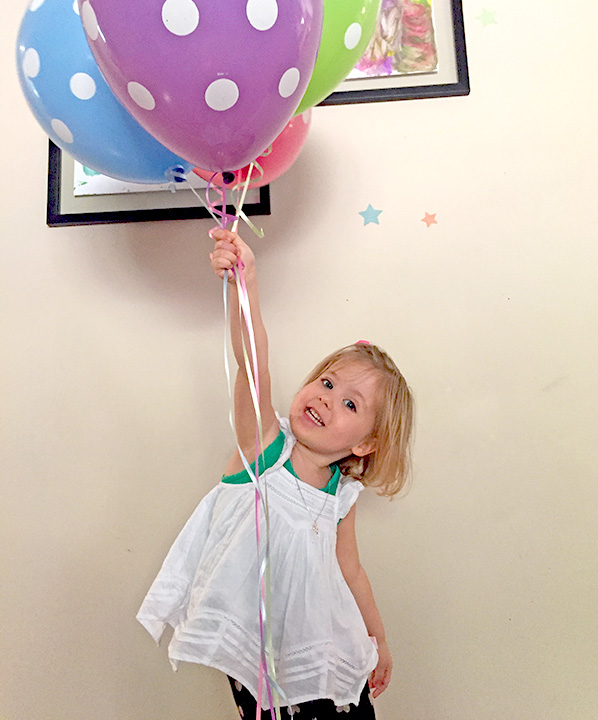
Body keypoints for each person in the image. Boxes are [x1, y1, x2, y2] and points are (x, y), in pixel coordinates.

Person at [137, 228, 414, 719]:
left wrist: (379, 639)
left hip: (325, 650)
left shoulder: (340, 494)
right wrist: (247, 282)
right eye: (326, 383)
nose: (327, 398)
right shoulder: (263, 450)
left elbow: (351, 571)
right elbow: (253, 365)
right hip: (263, 653)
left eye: (349, 402)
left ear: (364, 444)